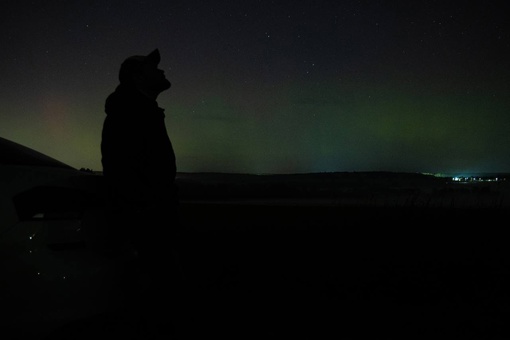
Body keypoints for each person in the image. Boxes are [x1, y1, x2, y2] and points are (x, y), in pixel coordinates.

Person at [100, 48, 185, 338]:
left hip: (152, 223)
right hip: (148, 228)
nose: (161, 71)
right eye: (153, 67)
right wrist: (148, 215)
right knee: (153, 303)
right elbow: (121, 171)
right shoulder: (131, 114)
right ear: (137, 77)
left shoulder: (139, 111)